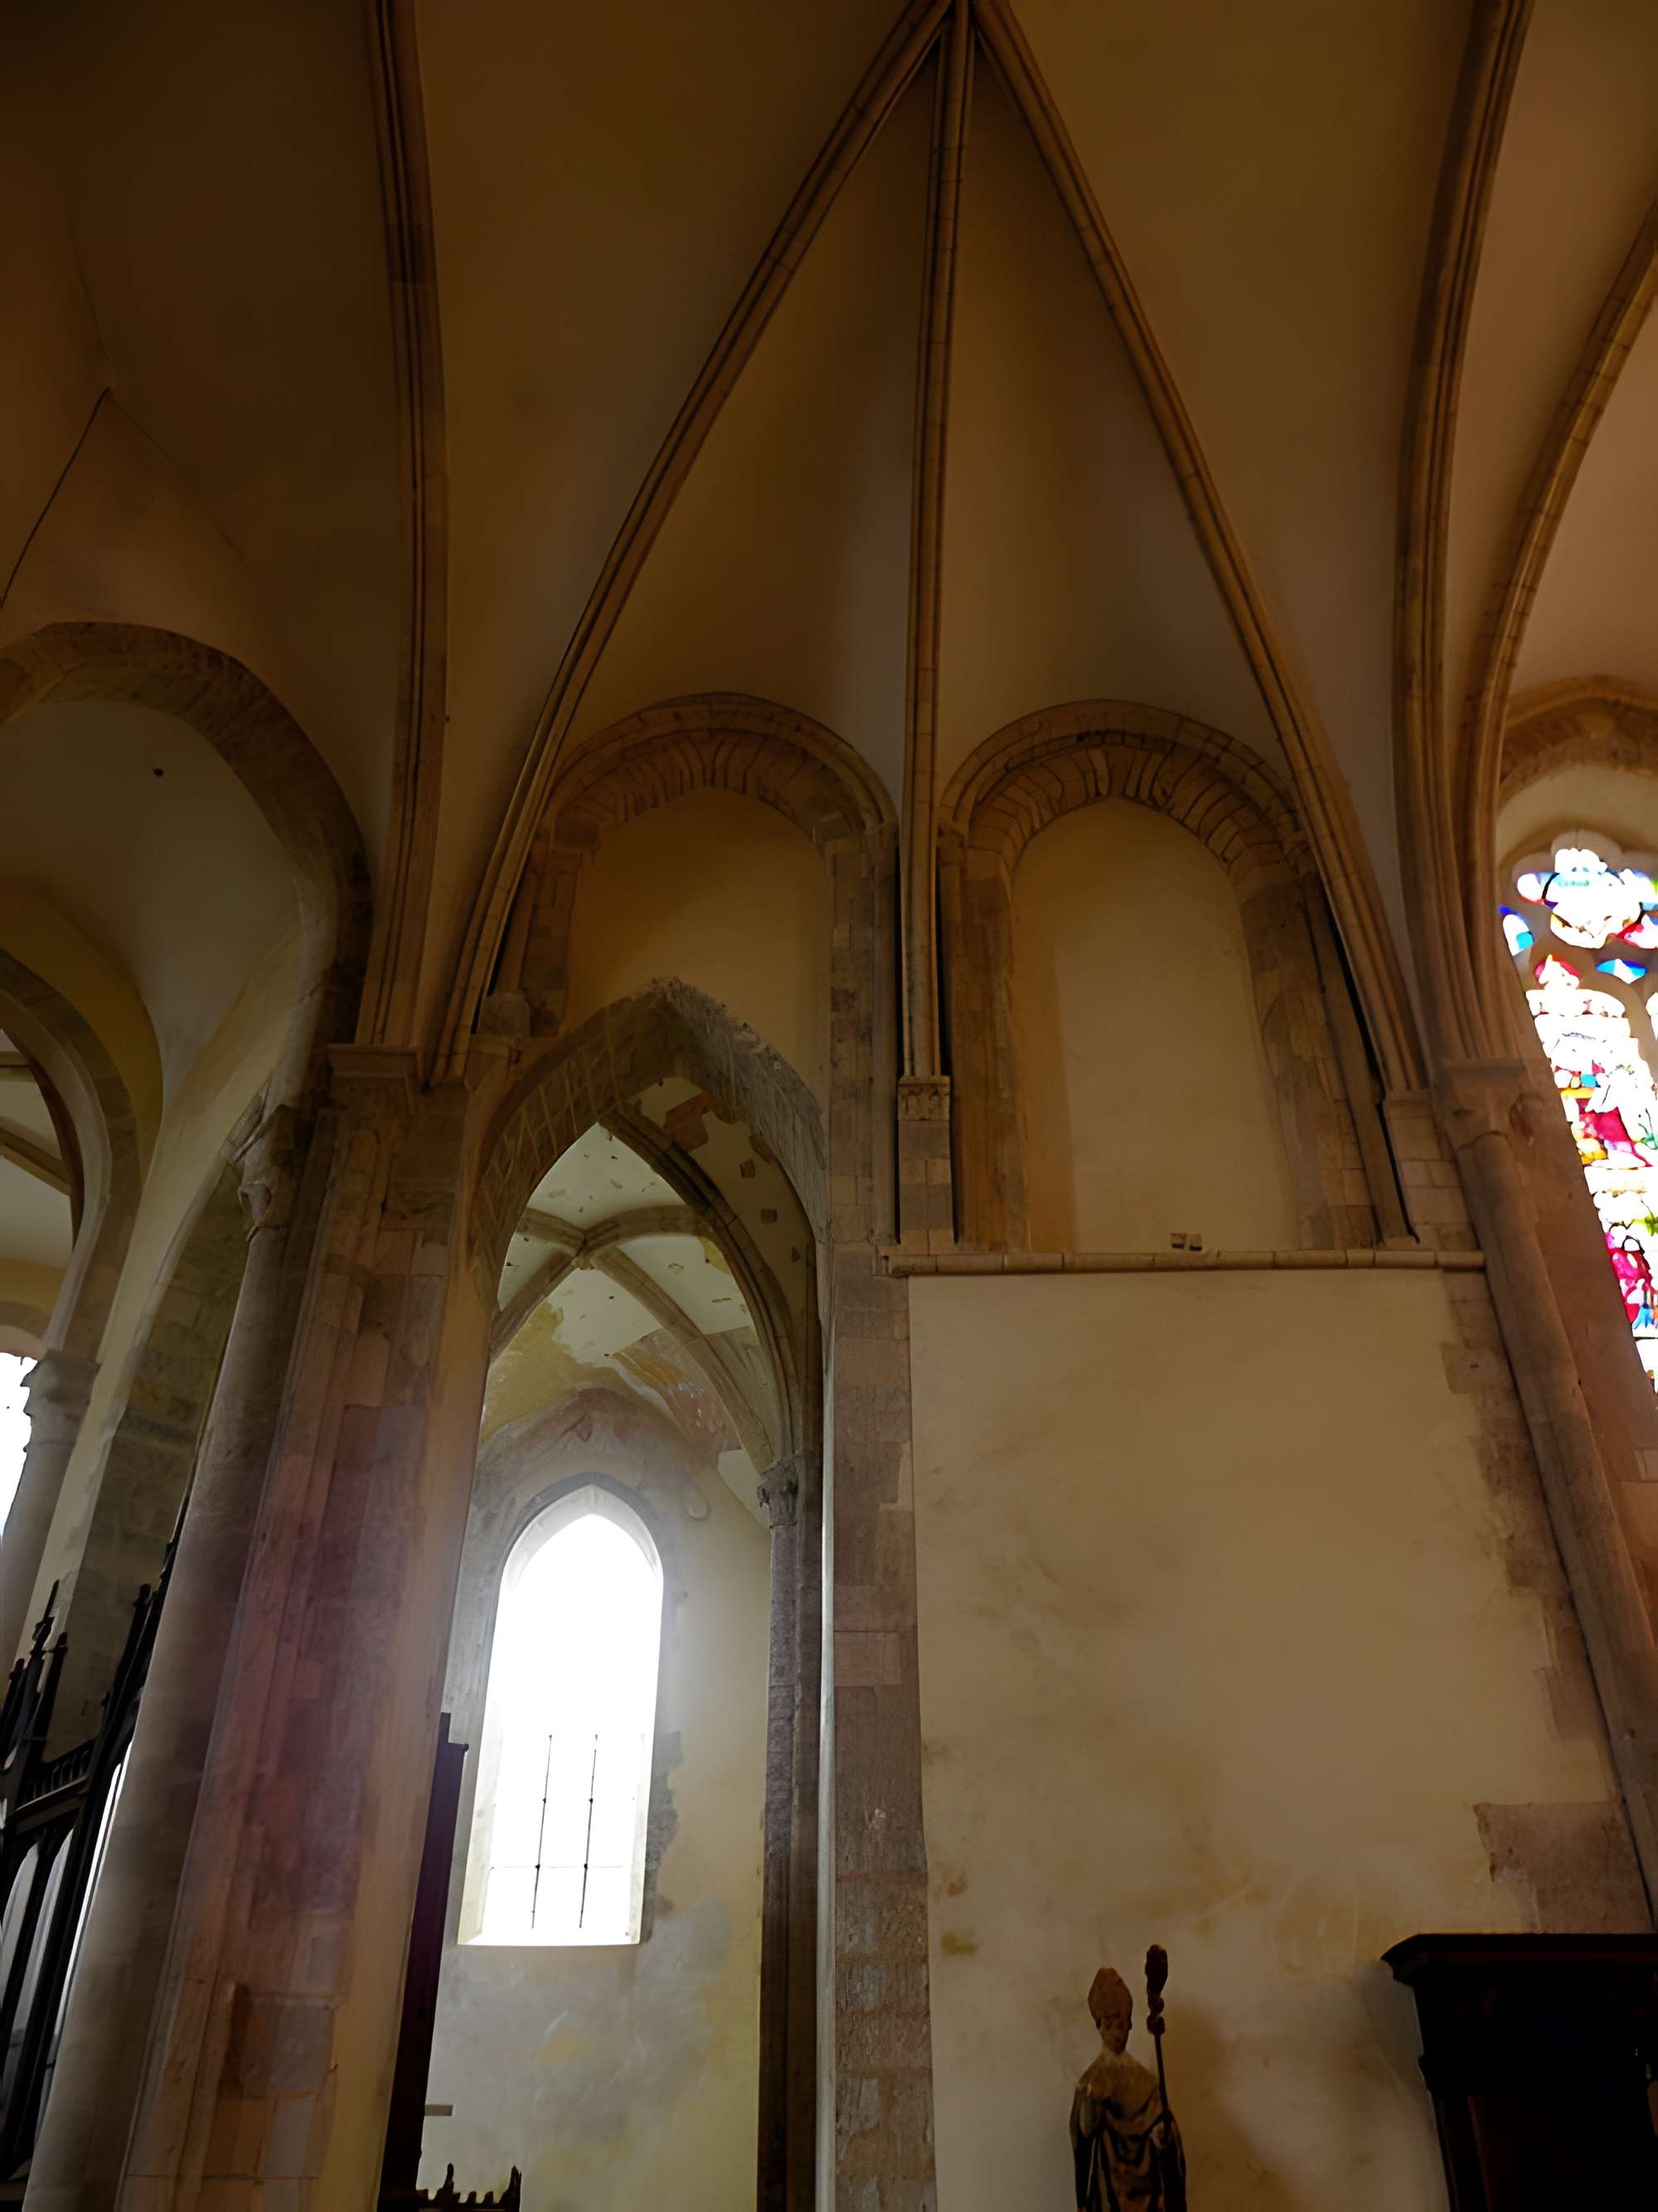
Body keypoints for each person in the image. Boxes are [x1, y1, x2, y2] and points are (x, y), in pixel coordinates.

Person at [1070, 1967, 1187, 2211]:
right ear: (1100, 2027)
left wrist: (1165, 2136)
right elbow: (1083, 2139)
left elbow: (1163, 2129)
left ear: (1130, 2024)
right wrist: (1092, 2111)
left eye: (1122, 2024)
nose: (1117, 2032)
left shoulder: (1144, 2081)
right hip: (1108, 2194)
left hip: (1148, 2196)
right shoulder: (1090, 2083)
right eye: (1110, 2024)